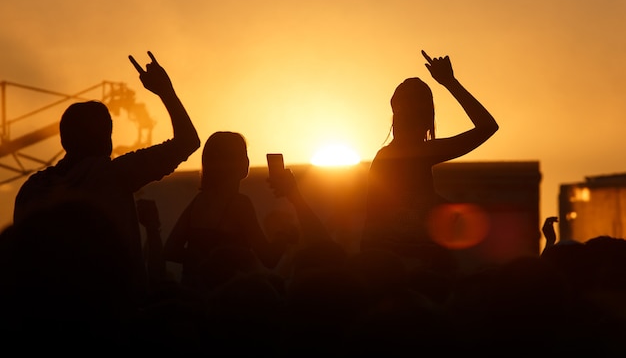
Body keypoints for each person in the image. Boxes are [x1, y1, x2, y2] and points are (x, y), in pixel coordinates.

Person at [12, 51, 201, 302]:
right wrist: (165, 91)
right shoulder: (113, 176)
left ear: (63, 140)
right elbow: (187, 141)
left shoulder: (31, 190)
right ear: (106, 139)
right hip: (110, 315)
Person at [361, 50, 498, 260]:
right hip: (406, 263)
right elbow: (487, 126)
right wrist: (451, 83)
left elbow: (407, 203)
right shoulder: (414, 153)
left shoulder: (389, 156)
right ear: (426, 116)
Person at [163, 132, 328, 290]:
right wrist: (284, 236)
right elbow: (269, 258)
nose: (247, 160)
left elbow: (170, 250)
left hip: (194, 292)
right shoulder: (239, 204)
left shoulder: (199, 201)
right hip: (228, 295)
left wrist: (200, 260)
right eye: (243, 154)